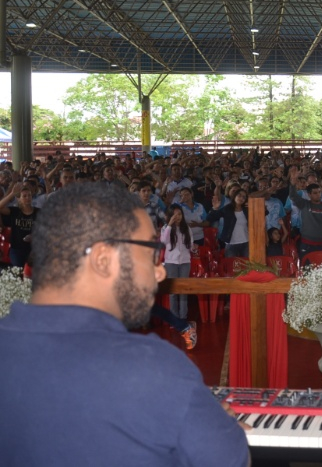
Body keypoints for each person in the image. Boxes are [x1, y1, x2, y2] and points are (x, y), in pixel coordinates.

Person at [0, 182, 250, 467]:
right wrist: (218, 426)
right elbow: (230, 459)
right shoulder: (155, 368)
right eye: (151, 252)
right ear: (103, 260)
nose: (159, 272)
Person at [0, 183, 40, 267]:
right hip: (16, 249)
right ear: (18, 199)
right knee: (17, 272)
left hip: (34, 249)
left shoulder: (38, 212)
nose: (28, 198)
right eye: (24, 196)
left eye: (29, 195)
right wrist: (12, 194)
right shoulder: (15, 211)